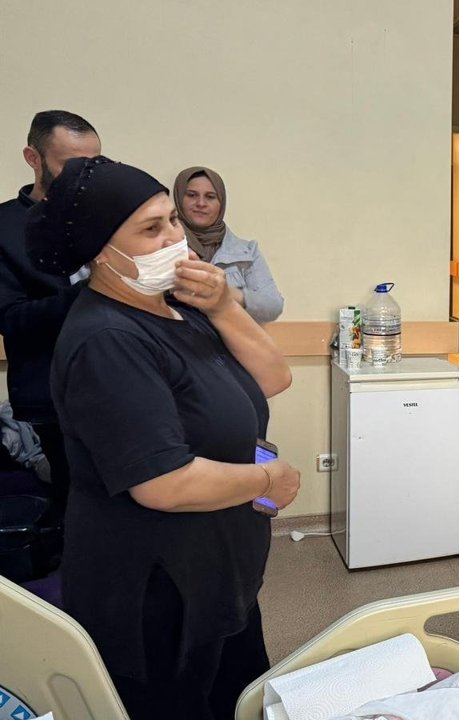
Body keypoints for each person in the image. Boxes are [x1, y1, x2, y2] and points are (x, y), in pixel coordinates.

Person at [32, 156, 301, 719]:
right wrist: (267, 480)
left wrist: (223, 305)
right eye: (152, 229)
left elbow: (273, 377)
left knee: (241, 700)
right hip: (157, 592)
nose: (175, 238)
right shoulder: (106, 339)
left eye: (172, 220)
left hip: (219, 575)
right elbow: (163, 483)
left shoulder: (181, 308)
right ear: (102, 251)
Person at [0, 110, 101, 534]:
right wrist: (91, 291)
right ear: (33, 158)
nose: (84, 177)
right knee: (75, 502)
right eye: (71, 165)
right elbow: (11, 319)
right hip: (51, 392)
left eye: (94, 164)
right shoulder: (5, 227)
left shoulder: (105, 214)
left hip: (117, 376)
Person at [174, 166, 284, 323]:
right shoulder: (164, 246)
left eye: (210, 197)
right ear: (179, 198)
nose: (201, 203)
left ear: (221, 203)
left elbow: (272, 306)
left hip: (232, 338)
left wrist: (228, 294)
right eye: (192, 195)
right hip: (175, 337)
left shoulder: (247, 251)